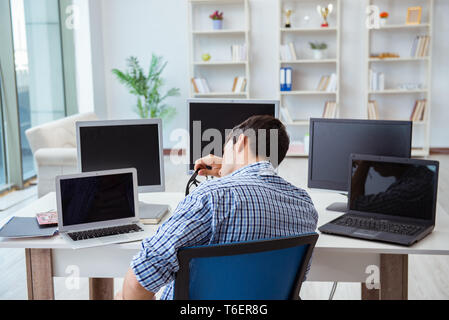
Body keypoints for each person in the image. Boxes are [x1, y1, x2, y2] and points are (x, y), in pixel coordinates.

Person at [115, 115, 318, 300]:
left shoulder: (211, 197)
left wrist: (229, 180)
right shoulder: (304, 204)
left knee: (121, 294)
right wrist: (233, 172)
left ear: (242, 142)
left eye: (225, 148)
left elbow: (139, 281)